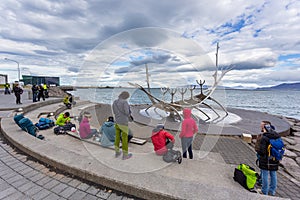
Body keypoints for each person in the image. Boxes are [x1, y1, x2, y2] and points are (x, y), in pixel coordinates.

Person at [257, 121, 280, 196]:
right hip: (275, 158)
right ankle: (272, 191)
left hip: (266, 159)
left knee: (265, 174)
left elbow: (262, 150)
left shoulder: (265, 137)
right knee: (273, 174)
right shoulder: (277, 136)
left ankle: (264, 191)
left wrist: (260, 155)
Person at [112, 91, 132, 160]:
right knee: (124, 139)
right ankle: (125, 155)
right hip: (124, 122)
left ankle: (117, 152)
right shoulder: (125, 102)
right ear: (126, 97)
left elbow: (114, 112)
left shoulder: (114, 102)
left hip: (117, 122)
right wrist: (129, 113)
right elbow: (127, 112)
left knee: (117, 138)